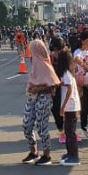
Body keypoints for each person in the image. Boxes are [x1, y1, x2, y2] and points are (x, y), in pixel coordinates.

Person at [22, 38, 59, 166]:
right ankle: (33, 151)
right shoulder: (34, 63)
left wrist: (39, 88)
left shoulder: (46, 64)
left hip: (44, 97)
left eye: (32, 49)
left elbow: (53, 84)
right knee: (26, 123)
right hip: (32, 97)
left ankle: (47, 154)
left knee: (42, 127)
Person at [56, 47, 81, 165]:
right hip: (70, 106)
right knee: (68, 132)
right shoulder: (67, 74)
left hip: (71, 106)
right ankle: (69, 153)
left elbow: (69, 91)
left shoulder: (66, 74)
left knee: (70, 133)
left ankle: (74, 156)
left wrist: (63, 107)